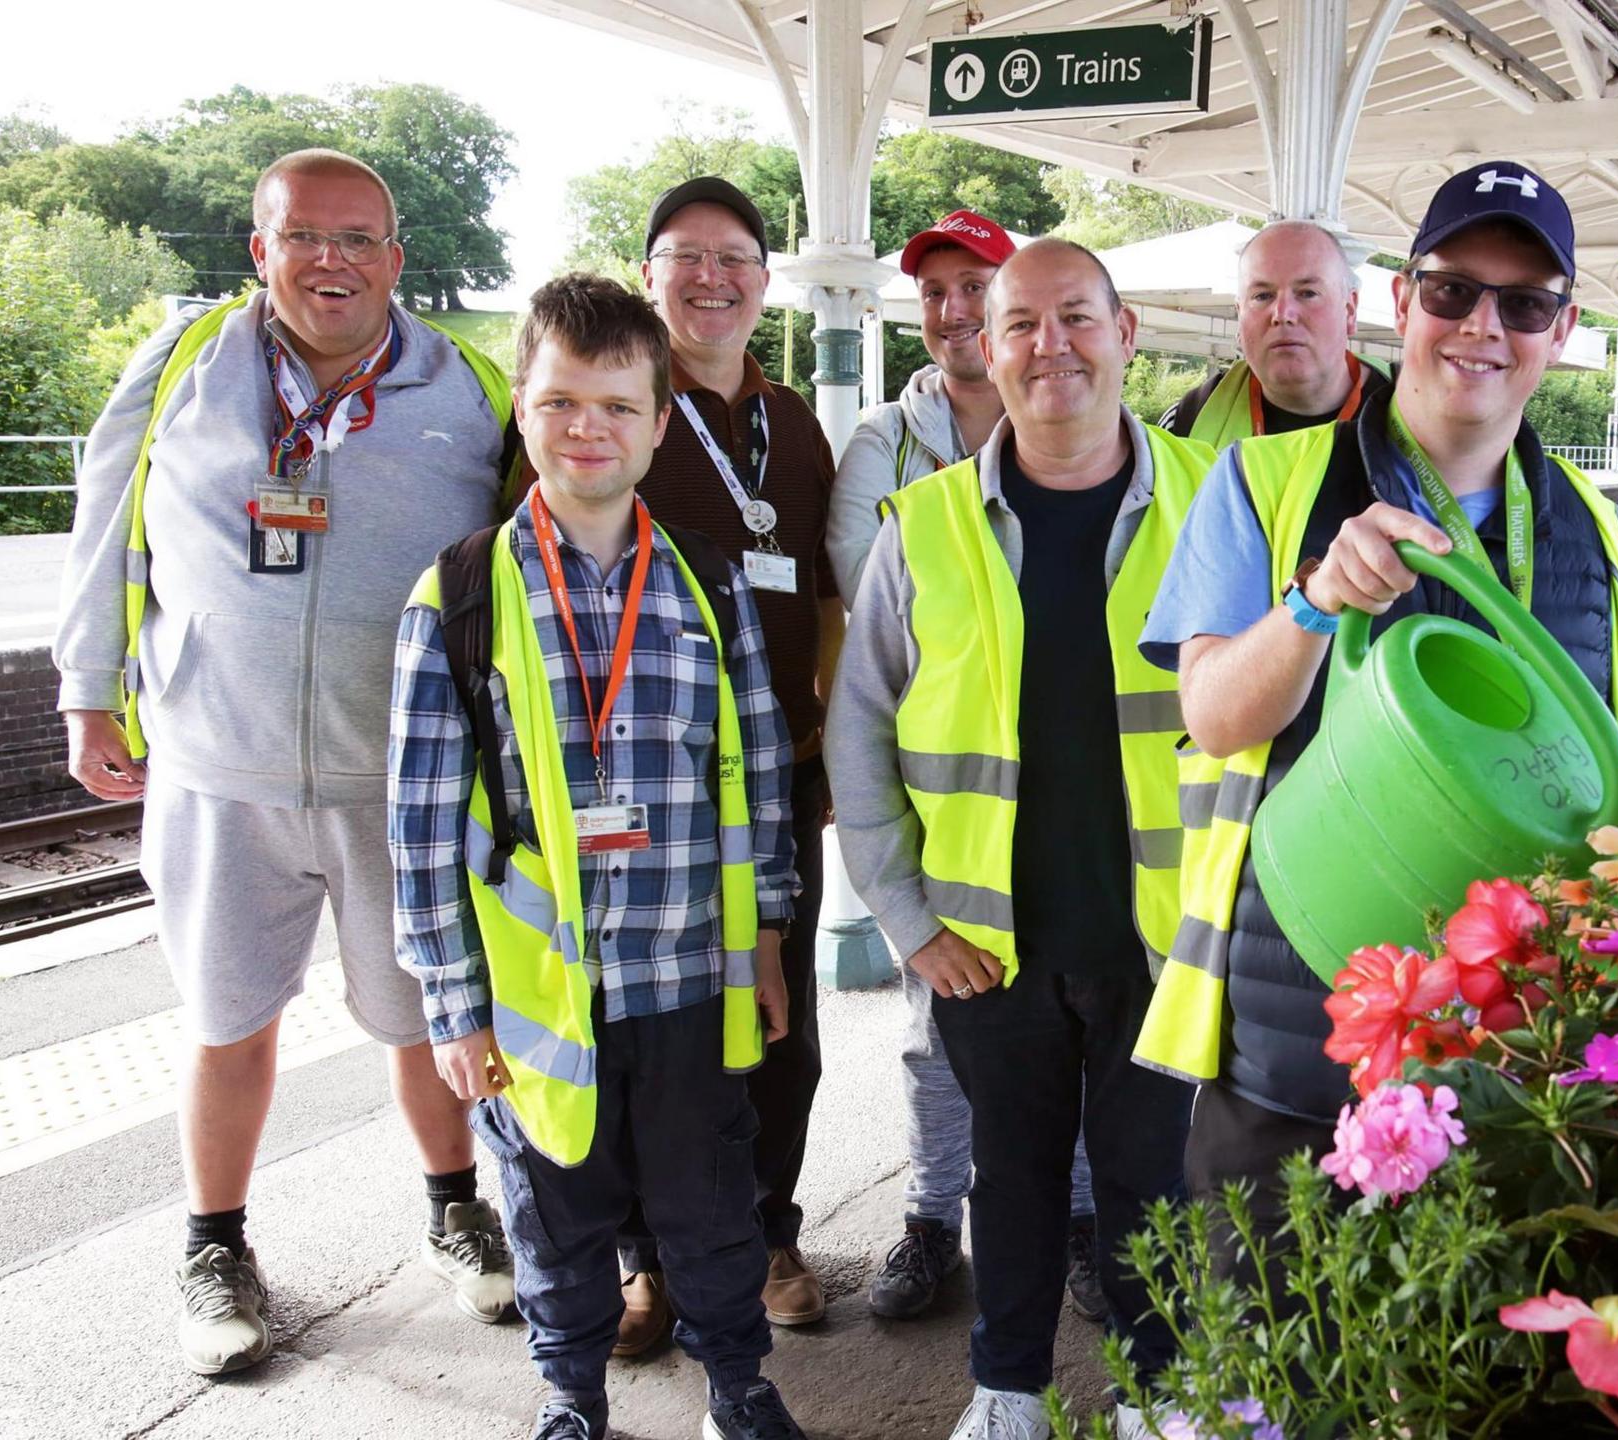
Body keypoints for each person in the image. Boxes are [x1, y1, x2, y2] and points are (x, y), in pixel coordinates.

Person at [1134, 162, 1618, 1271]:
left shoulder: (1609, 543)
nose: (1483, 326)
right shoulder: (1261, 483)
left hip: (1521, 1072)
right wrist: (1312, 600)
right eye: (1451, 292)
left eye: (1523, 304)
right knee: (1271, 1376)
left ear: (1563, 329)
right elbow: (1214, 713)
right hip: (1295, 1041)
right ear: (1400, 303)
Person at [52, 148, 517, 1376]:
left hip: (398, 781)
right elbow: (106, 526)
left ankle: (457, 1213)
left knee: (422, 1021)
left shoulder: (466, 386)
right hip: (221, 767)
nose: (334, 260)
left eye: (361, 238)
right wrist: (88, 690)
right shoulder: (182, 368)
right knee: (226, 1024)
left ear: (396, 259)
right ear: (260, 249)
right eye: (305, 235)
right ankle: (214, 1247)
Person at [389, 273, 803, 1440]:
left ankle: (738, 1385)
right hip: (538, 1000)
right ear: (522, 405)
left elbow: (759, 773)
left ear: (659, 423)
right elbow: (421, 823)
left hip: (685, 979)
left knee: (714, 1209)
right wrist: (453, 1006)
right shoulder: (462, 594)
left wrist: (766, 934)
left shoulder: (709, 585)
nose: (590, 429)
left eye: (619, 406)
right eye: (565, 401)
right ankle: (570, 1397)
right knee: (551, 1217)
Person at [831, 239, 1210, 1440]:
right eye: (1023, 326)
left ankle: (1159, 1392)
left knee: (1155, 1188)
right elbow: (861, 735)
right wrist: (908, 921)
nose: (1052, 346)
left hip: (1162, 934)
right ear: (986, 351)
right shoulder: (925, 524)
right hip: (987, 943)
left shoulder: (1219, 501)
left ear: (1127, 330)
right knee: (1015, 1177)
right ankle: (1007, 1393)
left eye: (1077, 318)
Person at [827, 210, 1109, 1327]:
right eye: (938, 291)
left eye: (971, 284)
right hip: (956, 829)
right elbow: (876, 614)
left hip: (1083, 837)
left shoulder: (1118, 453)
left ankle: (1079, 1221)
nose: (953, 308)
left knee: (1084, 1044)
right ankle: (930, 1217)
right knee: (933, 1039)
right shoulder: (884, 453)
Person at [616, 176, 840, 1342]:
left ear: (765, 279)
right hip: (645, 789)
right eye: (685, 256)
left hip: (778, 780)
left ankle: (767, 1232)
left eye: (736, 256)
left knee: (777, 1024)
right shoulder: (608, 404)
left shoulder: (792, 424)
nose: (712, 277)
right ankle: (648, 1258)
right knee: (654, 1033)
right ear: (647, 274)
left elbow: (830, 588)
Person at [1157, 219, 1389, 449]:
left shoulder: (1410, 413)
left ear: (1349, 310)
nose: (1282, 314)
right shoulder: (1183, 425)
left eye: (1307, 293)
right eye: (1262, 296)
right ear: (1240, 314)